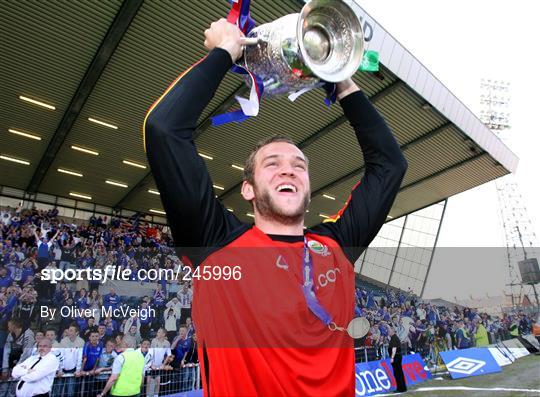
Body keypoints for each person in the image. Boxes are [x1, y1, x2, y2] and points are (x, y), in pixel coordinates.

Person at [144, 18, 407, 396]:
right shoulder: (214, 243)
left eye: (299, 165)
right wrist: (224, 52)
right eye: (273, 164)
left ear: (308, 186)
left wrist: (342, 80)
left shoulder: (337, 247)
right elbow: (165, 130)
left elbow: (391, 165)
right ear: (248, 189)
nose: (289, 169)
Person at [388, 326, 407, 393]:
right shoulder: (396, 338)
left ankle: (400, 388)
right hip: (398, 356)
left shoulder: (393, 338)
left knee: (397, 373)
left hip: (396, 357)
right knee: (400, 373)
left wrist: (392, 357)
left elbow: (394, 349)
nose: (388, 332)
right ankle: (403, 388)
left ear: (392, 332)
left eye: (389, 331)